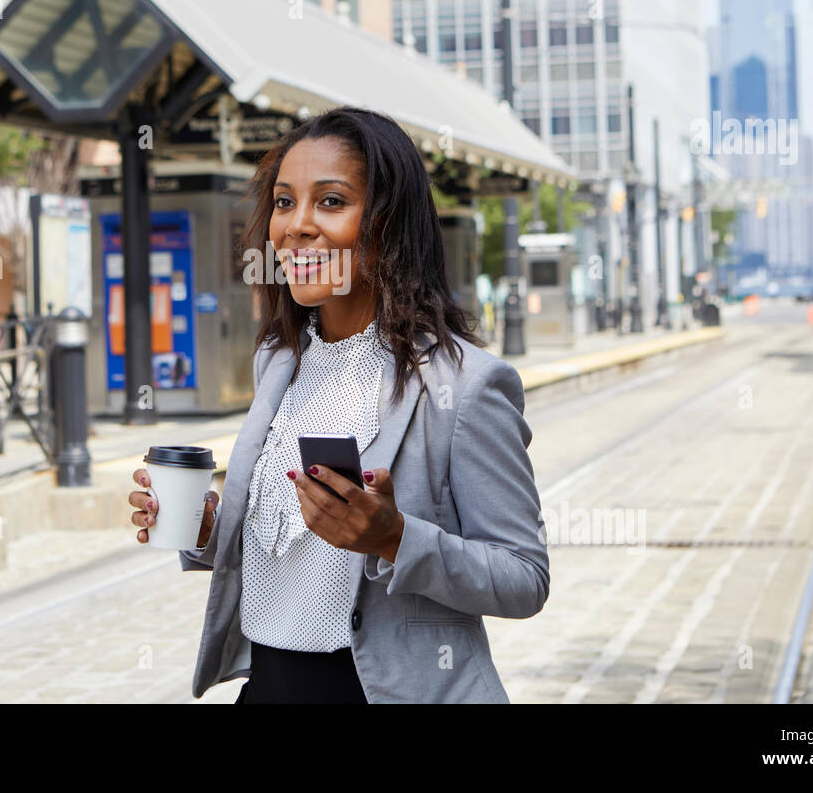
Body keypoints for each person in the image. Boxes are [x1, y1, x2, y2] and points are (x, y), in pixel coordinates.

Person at [129, 106, 549, 703]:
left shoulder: (465, 385)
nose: (296, 226)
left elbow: (524, 579)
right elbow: (288, 550)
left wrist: (394, 538)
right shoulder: (278, 362)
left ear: (389, 222)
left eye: (330, 201)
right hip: (269, 687)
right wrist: (204, 528)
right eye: (282, 202)